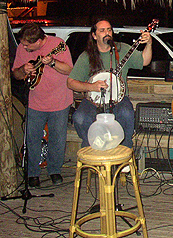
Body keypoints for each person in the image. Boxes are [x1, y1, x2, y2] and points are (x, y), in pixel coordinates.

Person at [67, 18, 152, 149]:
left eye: (109, 29)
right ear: (94, 36)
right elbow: (71, 82)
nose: (107, 32)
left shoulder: (122, 49)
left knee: (126, 114)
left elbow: (144, 61)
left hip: (119, 99)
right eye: (102, 30)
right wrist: (91, 87)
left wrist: (149, 43)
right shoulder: (86, 56)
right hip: (93, 100)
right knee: (80, 118)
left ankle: (123, 153)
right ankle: (93, 146)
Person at [12, 23, 73, 188]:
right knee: (32, 139)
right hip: (35, 102)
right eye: (23, 44)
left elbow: (69, 70)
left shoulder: (58, 45)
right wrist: (23, 69)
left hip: (59, 101)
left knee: (57, 139)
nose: (24, 47)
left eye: (27, 45)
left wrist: (52, 62)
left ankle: (54, 171)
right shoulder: (22, 49)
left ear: (39, 41)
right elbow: (16, 75)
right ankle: (32, 173)